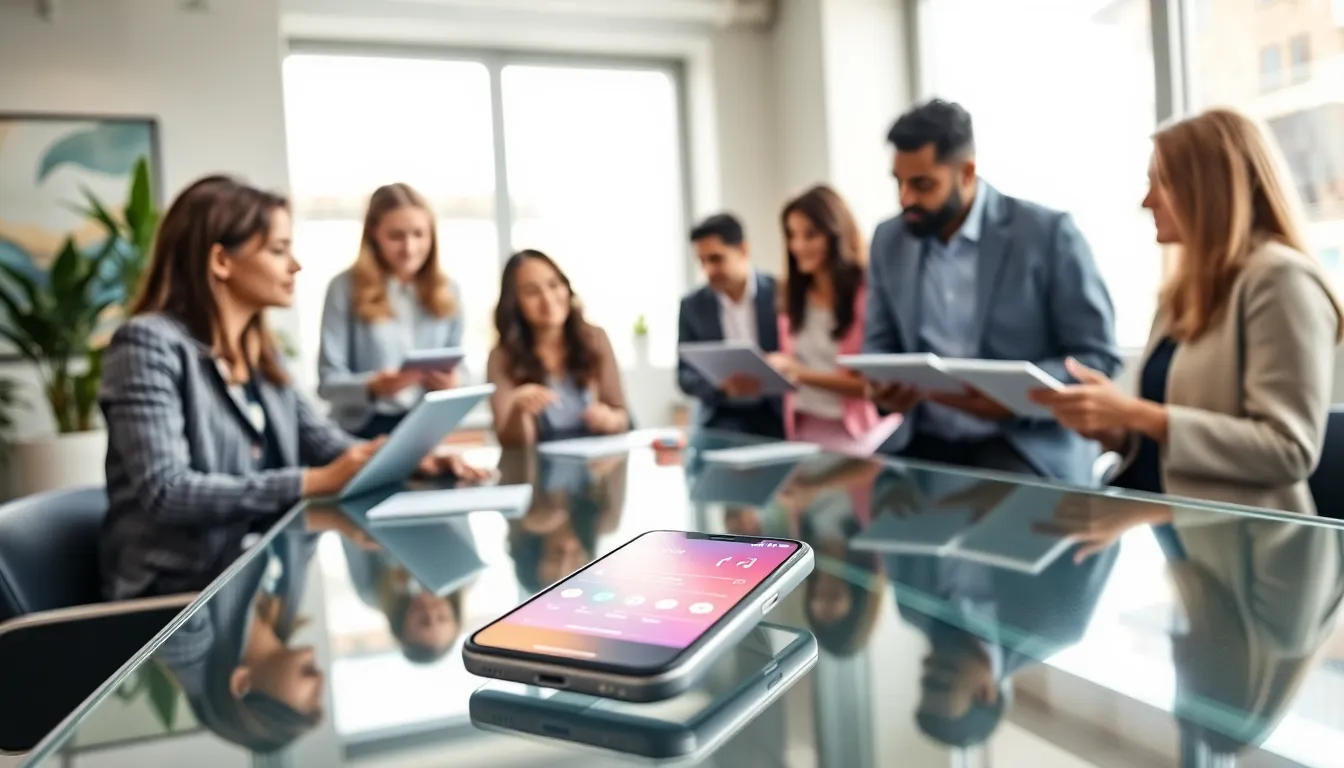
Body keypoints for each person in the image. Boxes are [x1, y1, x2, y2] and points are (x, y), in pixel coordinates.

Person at [98, 175, 481, 601]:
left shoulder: (262, 351)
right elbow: (168, 491)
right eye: (279, 250)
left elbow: (321, 441)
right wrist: (310, 482)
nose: (295, 265)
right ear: (222, 261)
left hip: (255, 582)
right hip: (178, 599)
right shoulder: (148, 345)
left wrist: (408, 458)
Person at [1031, 108, 1344, 514]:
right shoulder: (1182, 291)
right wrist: (1118, 430)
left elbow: (1287, 451)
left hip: (1250, 550)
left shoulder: (1280, 280)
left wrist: (1139, 414)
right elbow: (1176, 439)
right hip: (1175, 535)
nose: (1147, 201)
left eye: (1160, 182)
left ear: (1210, 186)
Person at [863, 99, 1121, 483]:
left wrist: (1013, 397)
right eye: (898, 182)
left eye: (922, 184)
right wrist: (883, 387)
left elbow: (1097, 357)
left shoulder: (1047, 235)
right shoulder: (889, 240)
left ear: (967, 173)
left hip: (1023, 446)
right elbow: (878, 345)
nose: (906, 199)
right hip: (922, 440)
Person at [317, 183, 464, 438]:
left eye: (419, 234)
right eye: (396, 236)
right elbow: (328, 382)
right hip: (361, 430)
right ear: (374, 233)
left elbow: (461, 363)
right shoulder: (344, 288)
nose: (409, 248)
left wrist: (454, 382)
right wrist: (372, 386)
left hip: (423, 428)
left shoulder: (448, 290)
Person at [765, 185, 901, 454]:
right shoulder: (791, 297)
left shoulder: (867, 294)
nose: (798, 246)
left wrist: (798, 373)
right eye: (792, 235)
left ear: (835, 233)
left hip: (857, 435)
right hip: (802, 431)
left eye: (810, 235)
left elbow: (869, 386)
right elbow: (789, 369)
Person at [486, 249, 630, 446]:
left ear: (566, 287)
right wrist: (518, 410)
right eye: (532, 292)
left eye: (554, 285)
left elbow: (621, 415)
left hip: (596, 468)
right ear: (515, 303)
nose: (548, 299)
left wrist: (608, 420)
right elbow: (514, 443)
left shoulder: (595, 338)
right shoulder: (501, 357)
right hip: (538, 471)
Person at [677, 213, 785, 439]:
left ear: (744, 250)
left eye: (716, 259)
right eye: (702, 261)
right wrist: (720, 386)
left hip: (776, 414)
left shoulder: (780, 293)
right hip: (720, 417)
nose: (708, 270)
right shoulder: (692, 306)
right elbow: (684, 375)